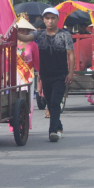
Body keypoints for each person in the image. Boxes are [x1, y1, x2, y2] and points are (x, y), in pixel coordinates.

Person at [18, 8, 74, 141]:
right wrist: (14, 32)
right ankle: (59, 126)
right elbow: (25, 37)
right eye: (47, 18)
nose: (50, 21)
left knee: (55, 103)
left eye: (53, 18)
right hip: (45, 75)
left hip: (60, 75)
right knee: (49, 102)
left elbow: (71, 54)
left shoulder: (65, 35)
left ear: (57, 19)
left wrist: (71, 73)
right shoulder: (39, 34)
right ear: (43, 20)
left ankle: (52, 131)